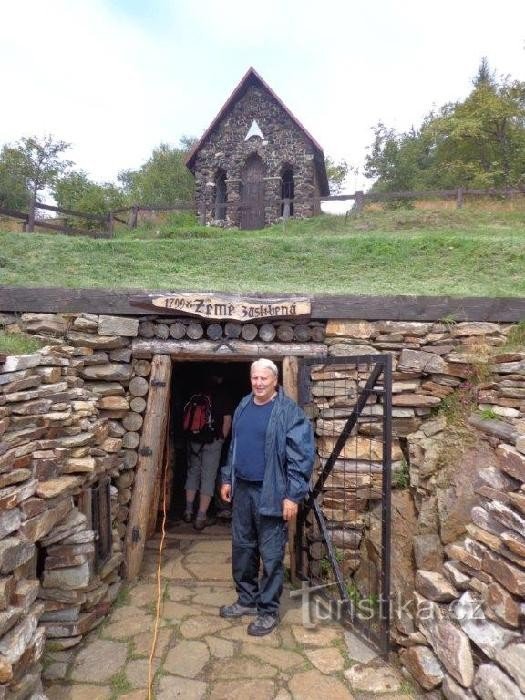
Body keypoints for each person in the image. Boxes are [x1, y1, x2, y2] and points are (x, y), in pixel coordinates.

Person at [219, 358, 314, 636]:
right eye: (255, 378)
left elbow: (302, 456)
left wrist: (292, 496)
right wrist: (227, 477)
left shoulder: (288, 411)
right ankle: (246, 599)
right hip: (243, 490)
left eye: (264, 379)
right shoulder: (244, 405)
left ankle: (268, 611)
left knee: (271, 555)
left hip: (272, 491)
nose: (259, 383)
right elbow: (234, 446)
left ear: (275, 380)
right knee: (243, 547)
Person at [183, 373, 232, 530]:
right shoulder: (223, 394)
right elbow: (227, 419)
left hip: (194, 440)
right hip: (212, 441)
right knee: (208, 477)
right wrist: (222, 438)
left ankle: (188, 511)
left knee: (192, 473)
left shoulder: (195, 392)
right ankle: (201, 516)